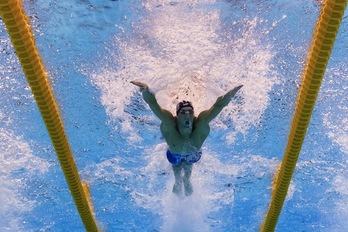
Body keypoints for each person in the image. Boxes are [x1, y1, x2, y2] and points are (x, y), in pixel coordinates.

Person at [131, 81, 243, 196]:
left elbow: (218, 105)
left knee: (188, 170)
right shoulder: (169, 123)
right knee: (177, 172)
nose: (187, 115)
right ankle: (178, 180)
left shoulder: (201, 123)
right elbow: (153, 104)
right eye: (183, 112)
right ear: (177, 116)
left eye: (190, 112)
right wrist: (145, 89)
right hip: (174, 154)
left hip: (193, 155)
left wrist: (231, 94)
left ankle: (187, 180)